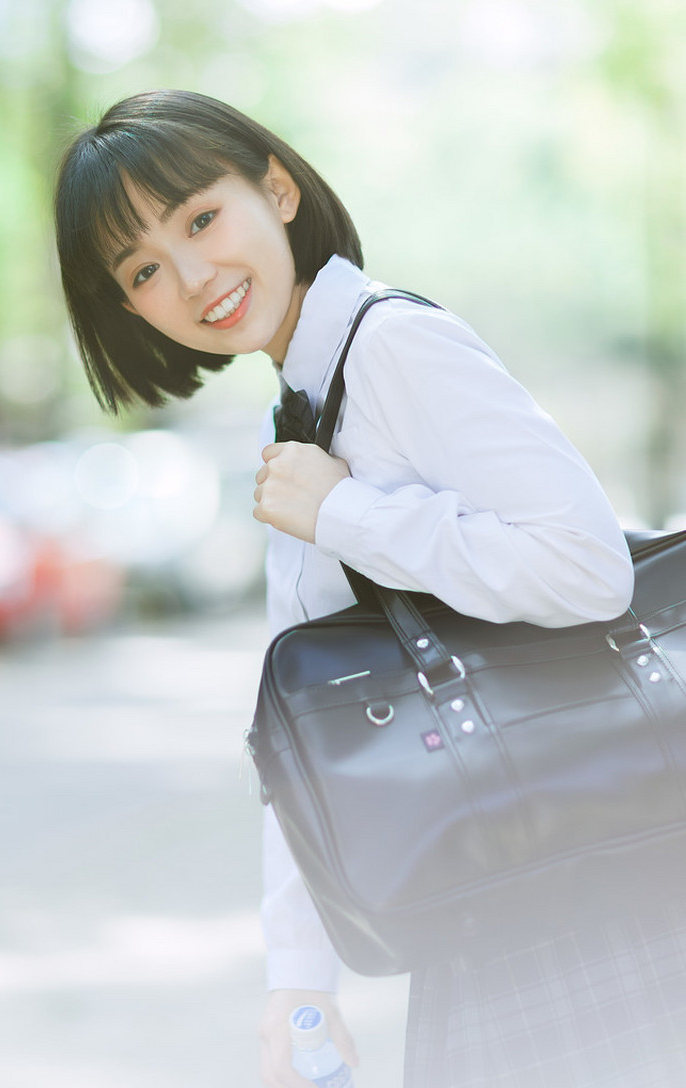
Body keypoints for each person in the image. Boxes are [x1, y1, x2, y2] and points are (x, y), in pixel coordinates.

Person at [54, 89, 686, 1088]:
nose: (192, 276)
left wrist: (350, 514)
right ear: (126, 306)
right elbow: (306, 730)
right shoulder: (299, 412)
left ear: (278, 188)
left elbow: (585, 562)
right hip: (492, 913)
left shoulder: (391, 345)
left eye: (201, 219)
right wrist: (297, 982)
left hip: (587, 909)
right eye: (142, 269)